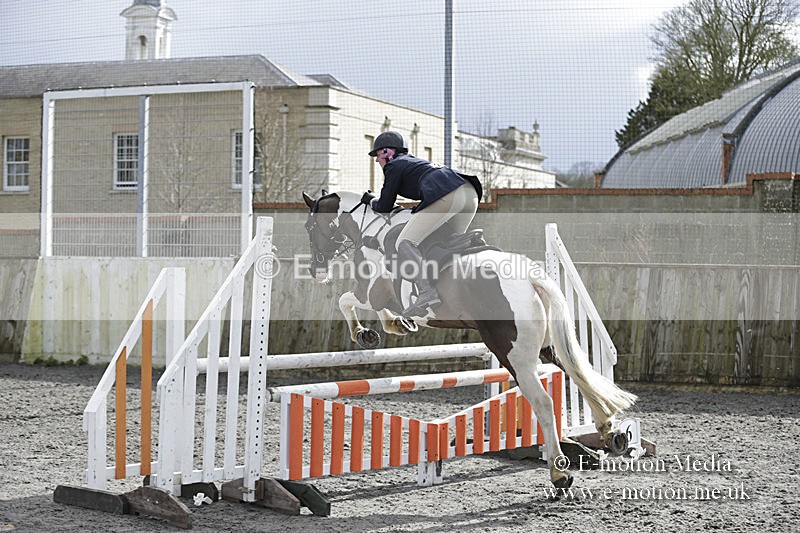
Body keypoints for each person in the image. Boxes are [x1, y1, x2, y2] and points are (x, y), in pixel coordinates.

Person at [362, 130, 482, 316]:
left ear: (387, 152)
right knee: (450, 241)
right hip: (469, 192)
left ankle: (427, 291)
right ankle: (474, 251)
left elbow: (384, 205)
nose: (377, 160)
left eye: (377, 155)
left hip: (447, 194)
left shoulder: (393, 166)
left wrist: (370, 200)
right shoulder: (413, 163)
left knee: (404, 242)